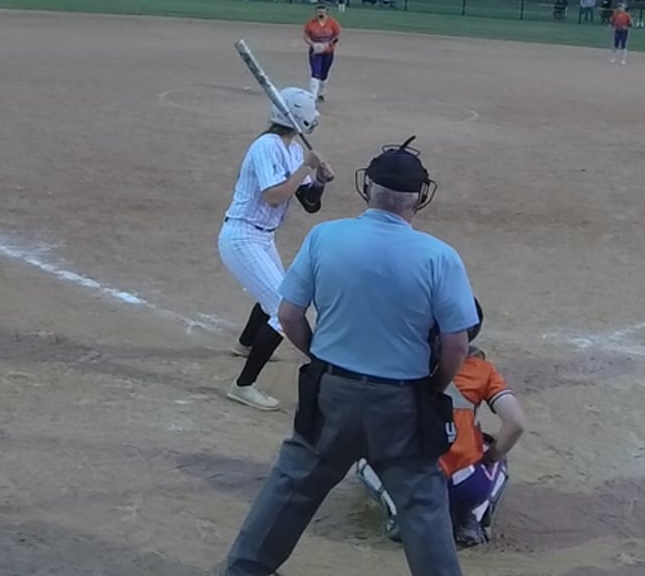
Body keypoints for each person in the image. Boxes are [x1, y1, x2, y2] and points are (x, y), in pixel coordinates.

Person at [222, 136, 477, 576]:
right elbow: (457, 344)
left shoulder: (325, 237)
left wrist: (320, 357)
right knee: (421, 504)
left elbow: (289, 315)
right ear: (420, 197)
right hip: (402, 401)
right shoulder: (440, 257)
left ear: (367, 187)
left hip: (332, 392)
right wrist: (431, 386)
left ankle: (244, 571)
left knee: (291, 487)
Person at [355, 300, 527, 548]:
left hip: (412, 482)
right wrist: (489, 457)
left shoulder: (401, 362)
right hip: (464, 484)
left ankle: (400, 513)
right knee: (495, 452)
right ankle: (472, 516)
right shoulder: (482, 370)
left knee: (365, 450)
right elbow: (516, 424)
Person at [218, 87, 331, 411]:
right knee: (284, 312)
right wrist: (305, 168)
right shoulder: (266, 146)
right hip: (241, 237)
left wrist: (319, 180)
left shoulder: (292, 149)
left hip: (262, 237)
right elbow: (272, 197)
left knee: (277, 292)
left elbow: (309, 203)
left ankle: (245, 344)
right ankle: (243, 386)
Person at [303, 4, 342, 102]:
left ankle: (321, 93)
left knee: (324, 73)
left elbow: (337, 36)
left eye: (322, 12)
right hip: (315, 52)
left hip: (328, 52)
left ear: (326, 12)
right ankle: (313, 97)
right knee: (316, 72)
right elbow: (306, 36)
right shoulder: (311, 23)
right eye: (319, 12)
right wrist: (313, 44)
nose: (320, 13)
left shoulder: (332, 23)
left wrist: (328, 44)